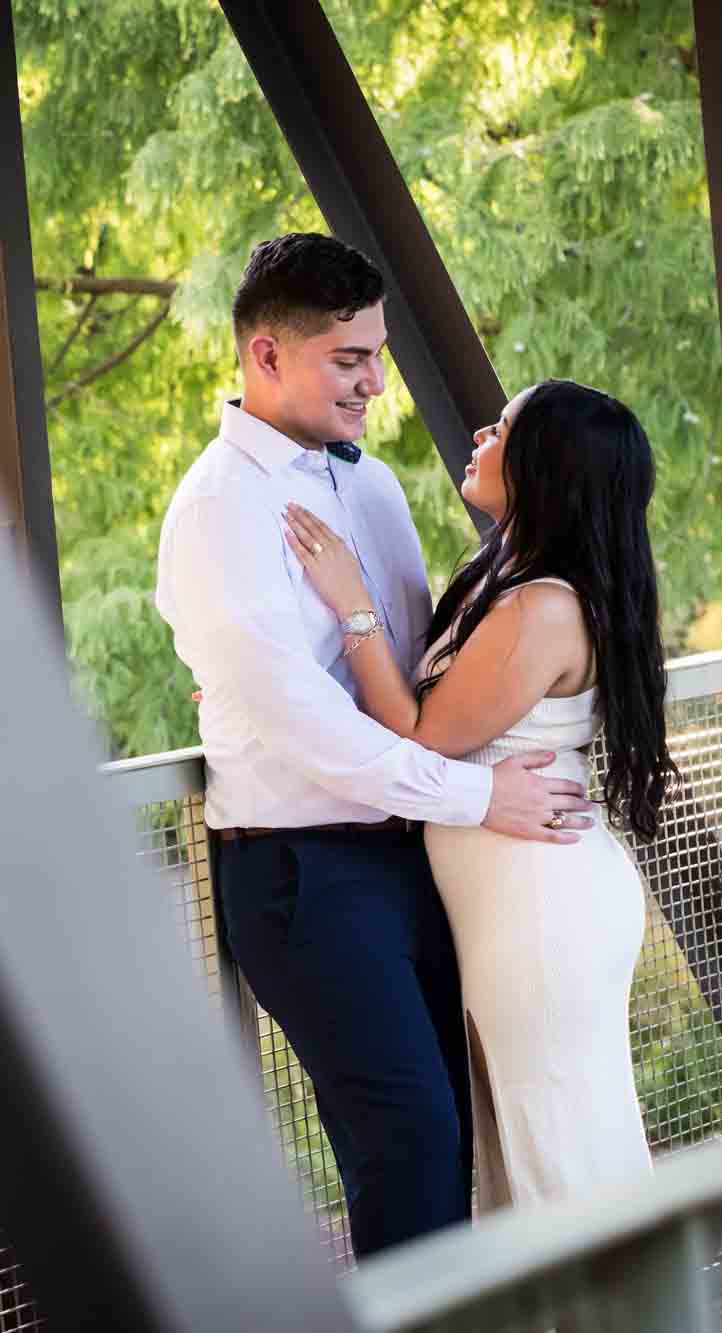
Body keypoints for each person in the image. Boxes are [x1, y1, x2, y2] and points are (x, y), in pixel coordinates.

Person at [154, 233, 595, 1257]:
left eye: (378, 353)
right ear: (264, 355)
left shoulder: (377, 486)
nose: (374, 382)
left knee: (457, 1137)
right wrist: (476, 796)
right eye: (348, 359)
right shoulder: (219, 509)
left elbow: (412, 675)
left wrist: (465, 786)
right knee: (406, 1139)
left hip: (413, 853)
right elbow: (299, 723)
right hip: (303, 873)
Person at [282, 377, 675, 1208]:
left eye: (503, 428)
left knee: (560, 1157)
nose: (480, 433)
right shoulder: (517, 580)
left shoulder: (541, 607)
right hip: (526, 900)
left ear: (544, 465)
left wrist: (353, 608)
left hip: (541, 908)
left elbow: (423, 733)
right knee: (548, 1146)